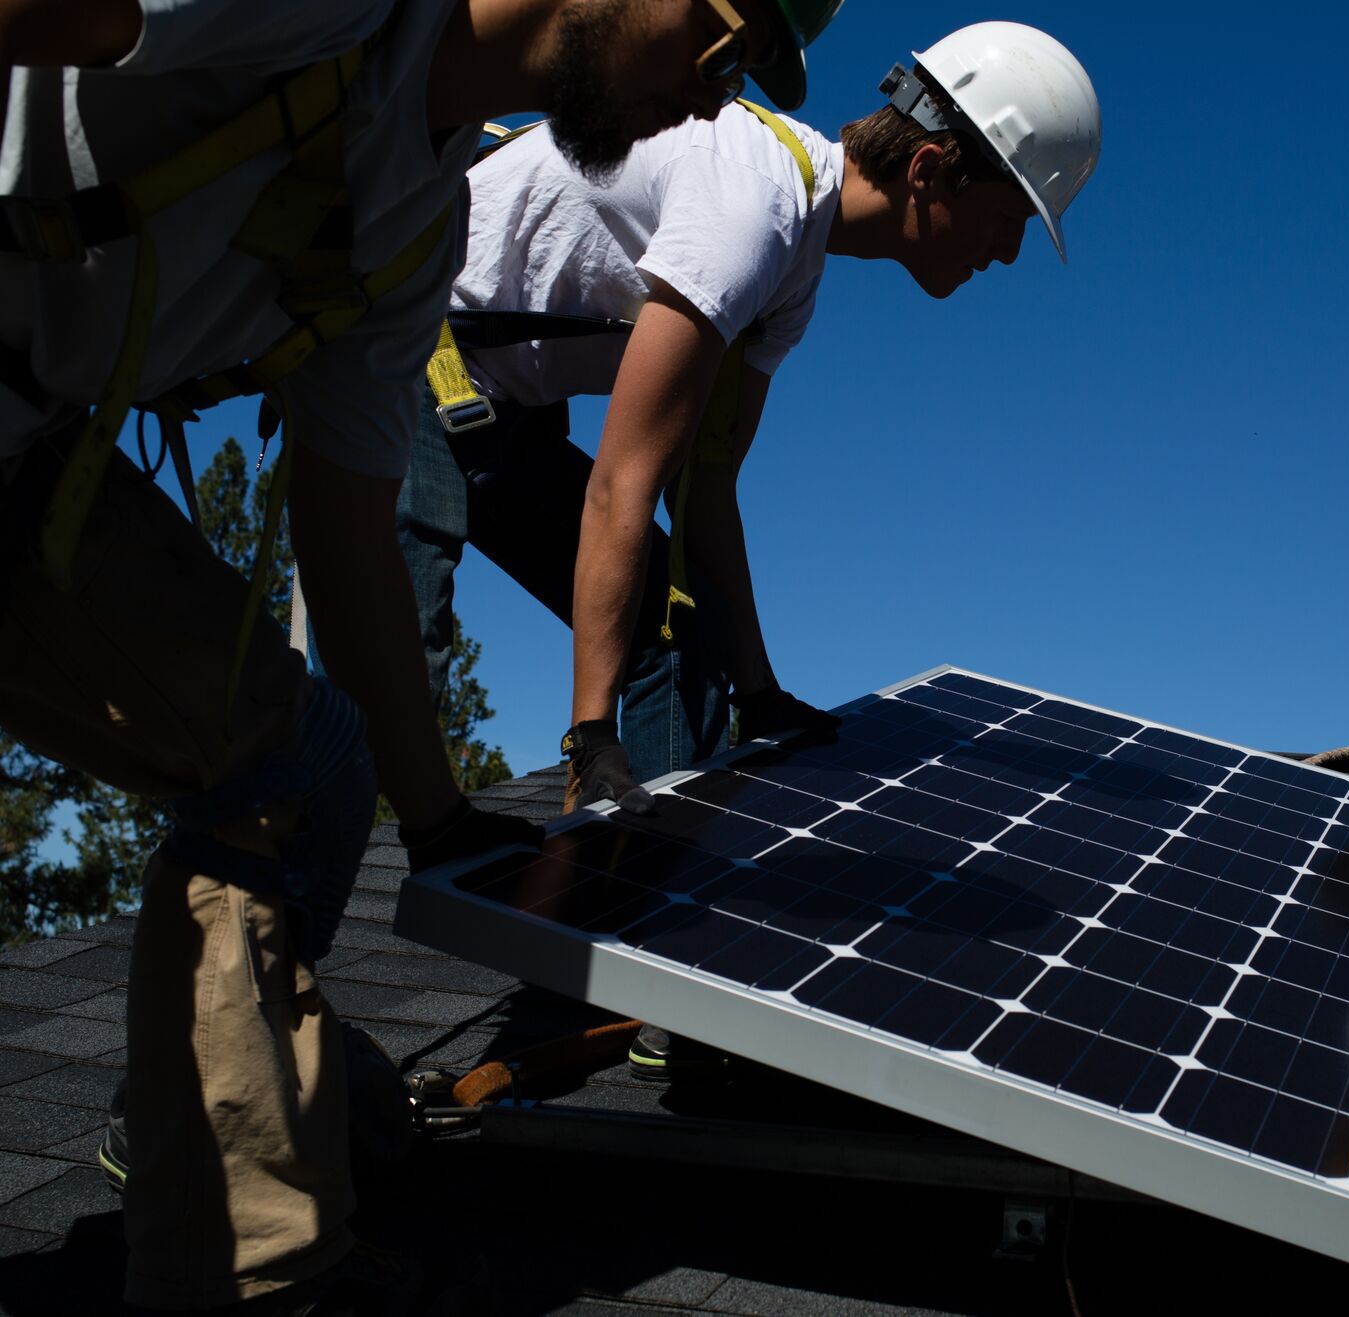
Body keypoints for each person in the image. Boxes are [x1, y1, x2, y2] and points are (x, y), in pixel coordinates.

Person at [0, 0, 840, 1307]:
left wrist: (441, 822)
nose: (708, 106)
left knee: (306, 765)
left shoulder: (408, 236)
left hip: (27, 455)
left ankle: (251, 1257)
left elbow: (346, 539)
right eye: (722, 55)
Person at [395, 21, 1102, 821]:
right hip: (403, 338)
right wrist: (590, 735)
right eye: (1010, 220)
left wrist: (759, 691)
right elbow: (624, 479)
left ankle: (640, 895)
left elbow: (705, 488)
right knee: (392, 661)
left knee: (695, 645)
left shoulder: (789, 279)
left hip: (497, 403)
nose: (1008, 254)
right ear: (931, 169)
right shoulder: (750, 209)